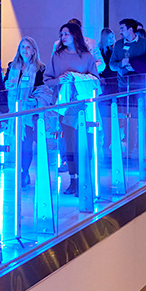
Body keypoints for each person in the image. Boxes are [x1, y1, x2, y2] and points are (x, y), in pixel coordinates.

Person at [44, 22, 100, 195]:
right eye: (62, 34)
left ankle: (84, 179)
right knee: (69, 143)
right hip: (65, 107)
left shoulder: (87, 56)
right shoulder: (57, 56)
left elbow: (96, 81)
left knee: (84, 142)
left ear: (75, 35)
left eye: (66, 33)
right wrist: (60, 80)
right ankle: (73, 179)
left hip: (83, 106)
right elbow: (47, 80)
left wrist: (77, 78)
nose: (63, 37)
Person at [4, 36, 52, 188]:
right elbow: (5, 85)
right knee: (16, 144)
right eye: (22, 47)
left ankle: (24, 173)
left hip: (29, 115)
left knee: (26, 145)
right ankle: (19, 171)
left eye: (28, 47)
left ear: (34, 51)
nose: (25, 50)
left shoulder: (40, 69)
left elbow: (45, 91)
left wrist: (35, 100)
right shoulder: (12, 67)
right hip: (13, 112)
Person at [109, 18, 146, 85]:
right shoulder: (118, 44)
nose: (120, 32)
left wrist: (136, 67)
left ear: (130, 30)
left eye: (122, 29)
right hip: (123, 85)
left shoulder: (145, 43)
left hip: (141, 84)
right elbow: (112, 65)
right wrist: (121, 64)